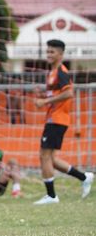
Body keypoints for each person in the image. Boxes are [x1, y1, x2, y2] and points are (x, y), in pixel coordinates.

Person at [33, 39, 93, 205]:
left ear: (61, 54)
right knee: (50, 158)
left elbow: (69, 94)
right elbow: (56, 96)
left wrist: (43, 102)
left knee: (44, 155)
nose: (49, 54)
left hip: (58, 119)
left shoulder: (61, 71)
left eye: (52, 52)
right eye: (48, 51)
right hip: (54, 118)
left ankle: (51, 196)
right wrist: (44, 96)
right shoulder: (51, 73)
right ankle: (84, 177)